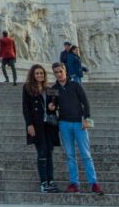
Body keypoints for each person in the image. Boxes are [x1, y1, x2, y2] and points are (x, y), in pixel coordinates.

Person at [51, 61, 103, 194]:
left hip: (79, 123)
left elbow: (85, 102)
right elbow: (53, 105)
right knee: (70, 155)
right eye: (56, 72)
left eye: (60, 71)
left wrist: (87, 118)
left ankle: (94, 183)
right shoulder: (53, 88)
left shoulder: (75, 85)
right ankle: (74, 183)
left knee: (86, 154)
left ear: (65, 71)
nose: (59, 74)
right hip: (64, 124)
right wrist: (51, 106)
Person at [23, 64, 60, 193]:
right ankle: (44, 182)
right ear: (33, 75)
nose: (39, 75)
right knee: (42, 152)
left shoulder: (49, 89)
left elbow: (56, 103)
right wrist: (29, 124)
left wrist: (53, 106)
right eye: (37, 73)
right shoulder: (27, 88)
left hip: (49, 126)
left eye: (41, 73)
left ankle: (51, 181)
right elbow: (26, 108)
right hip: (36, 125)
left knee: (49, 152)